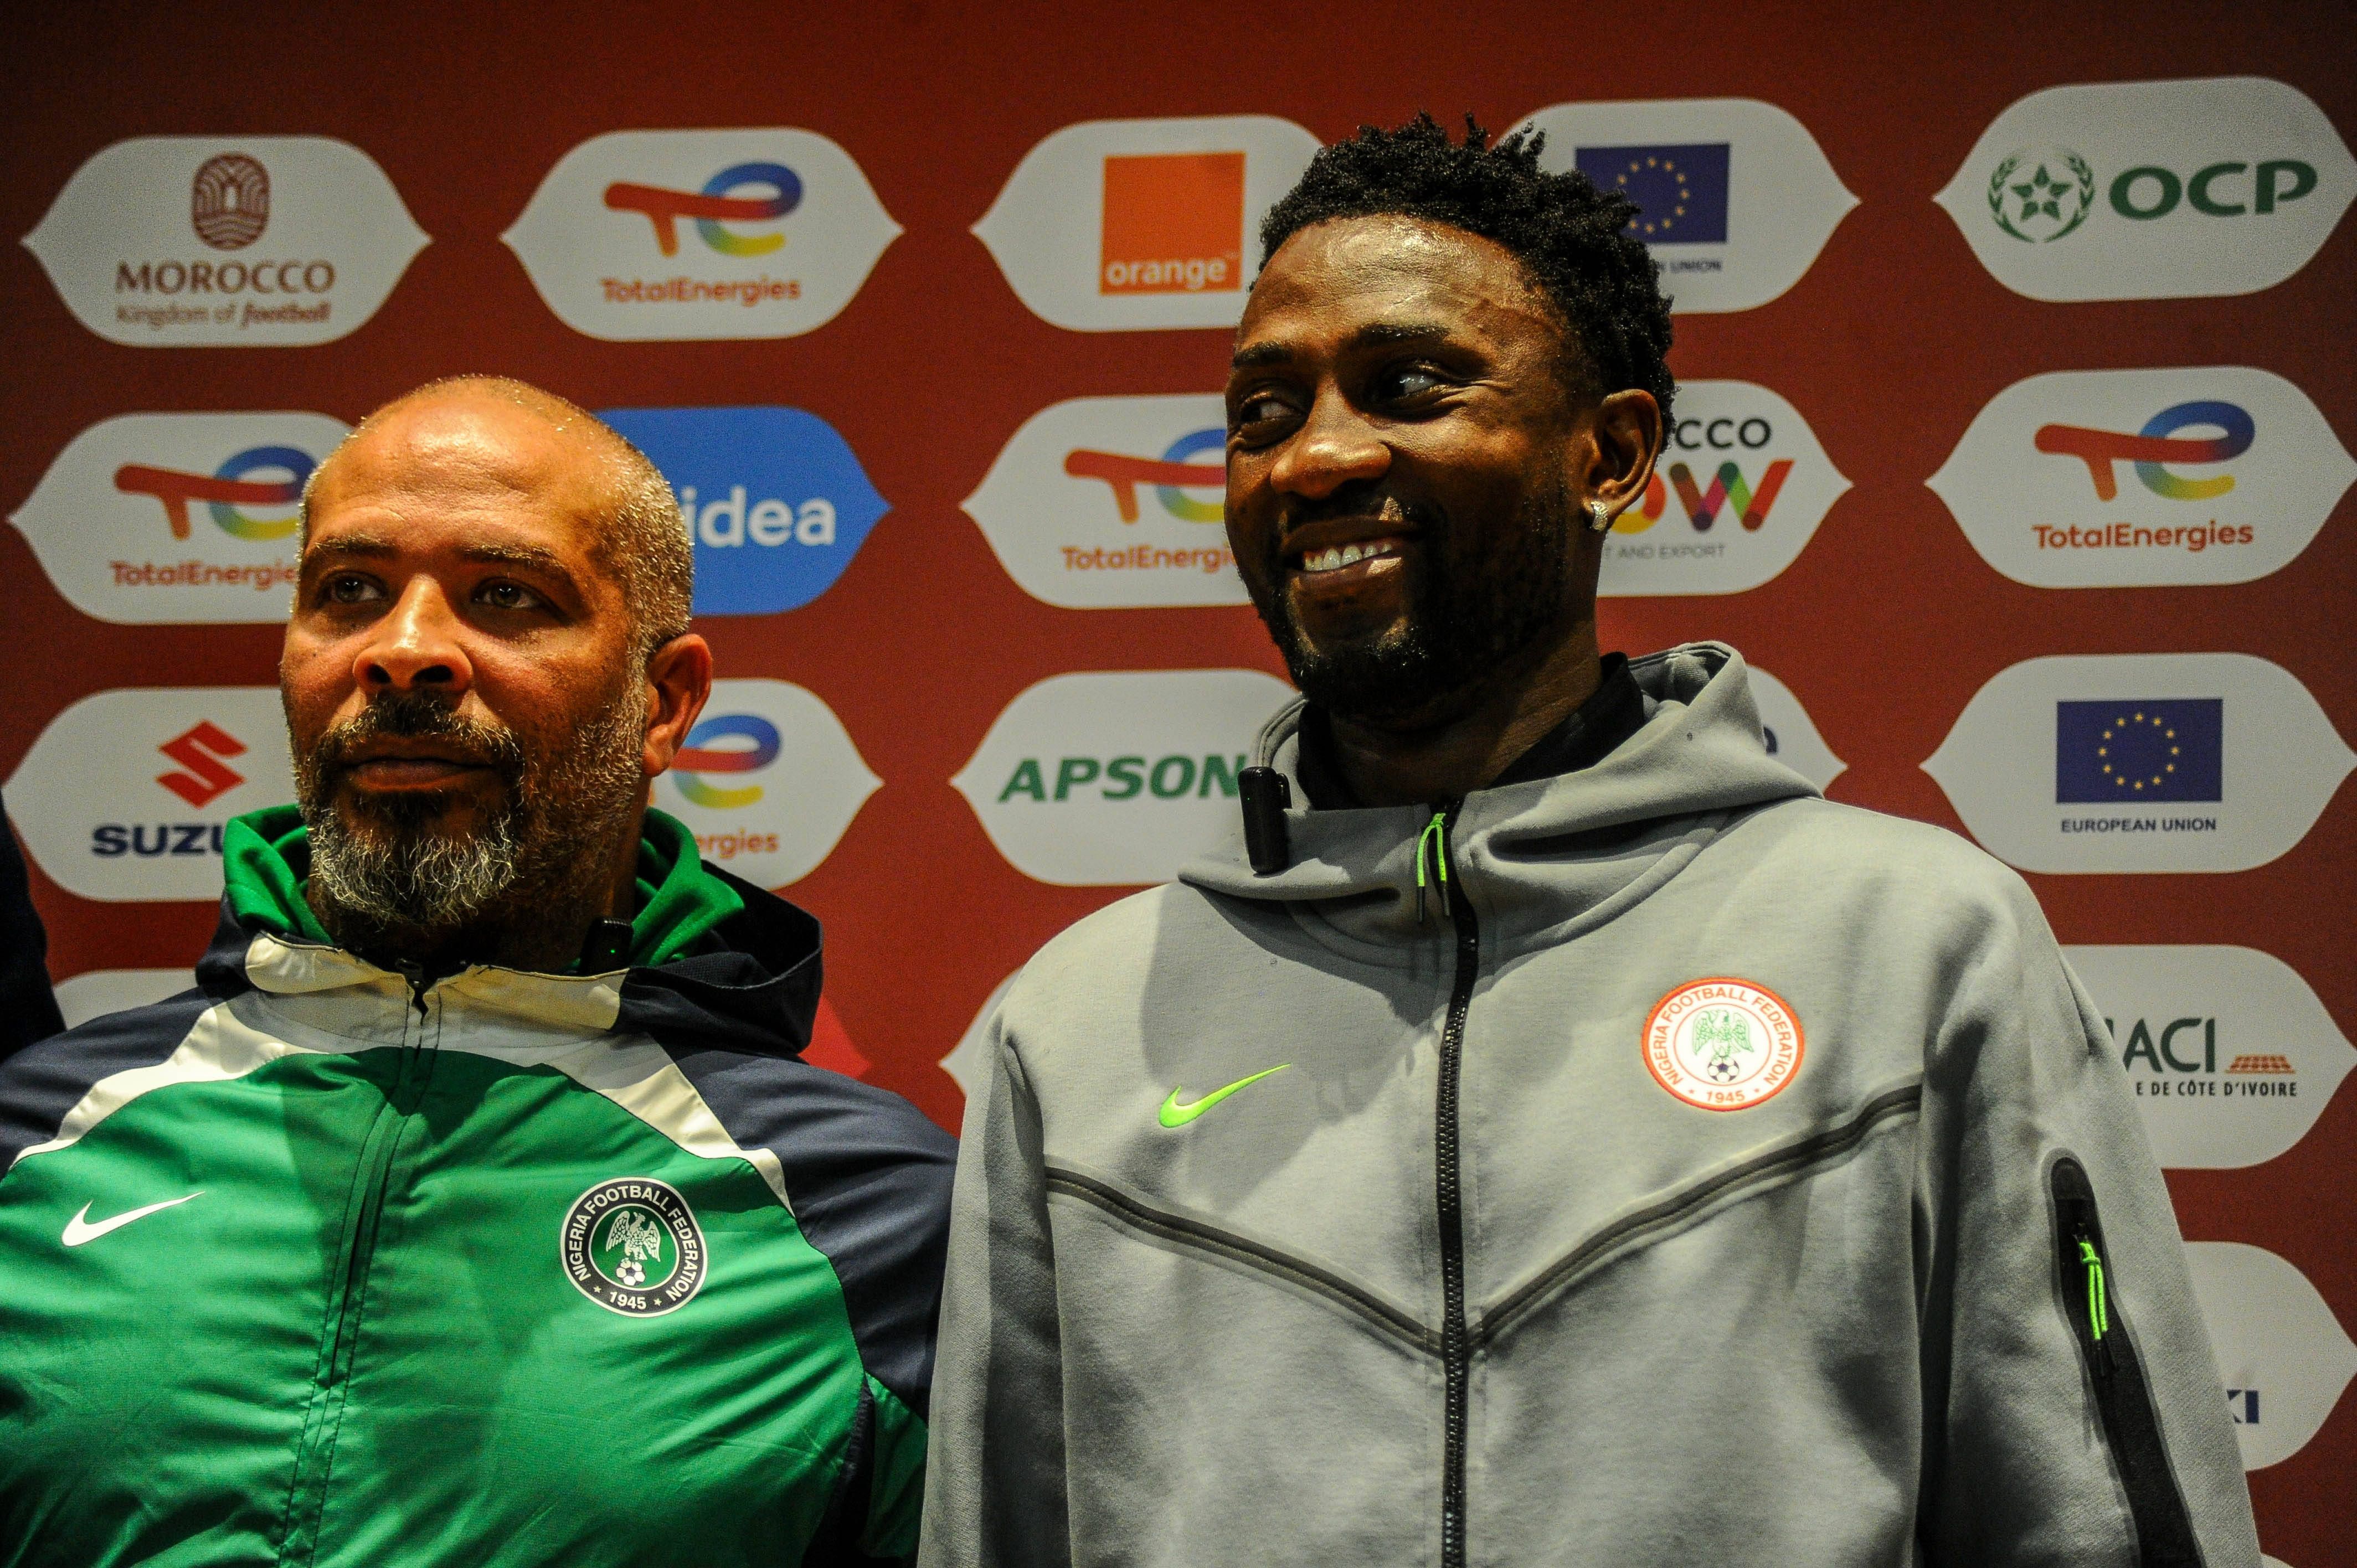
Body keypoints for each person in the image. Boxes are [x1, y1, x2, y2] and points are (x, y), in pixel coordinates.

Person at [920, 119, 2259, 1567]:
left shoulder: (1915, 945)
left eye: (1407, 386)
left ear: (1610, 454)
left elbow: (2093, 1524)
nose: (1314, 457)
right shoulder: (1074, 1029)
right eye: (1262, 411)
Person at [0, 377, 953, 1567]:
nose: (403, 652)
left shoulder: (875, 1215)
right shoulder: (37, 1139)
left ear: (664, 702)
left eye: (505, 597)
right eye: (348, 593)